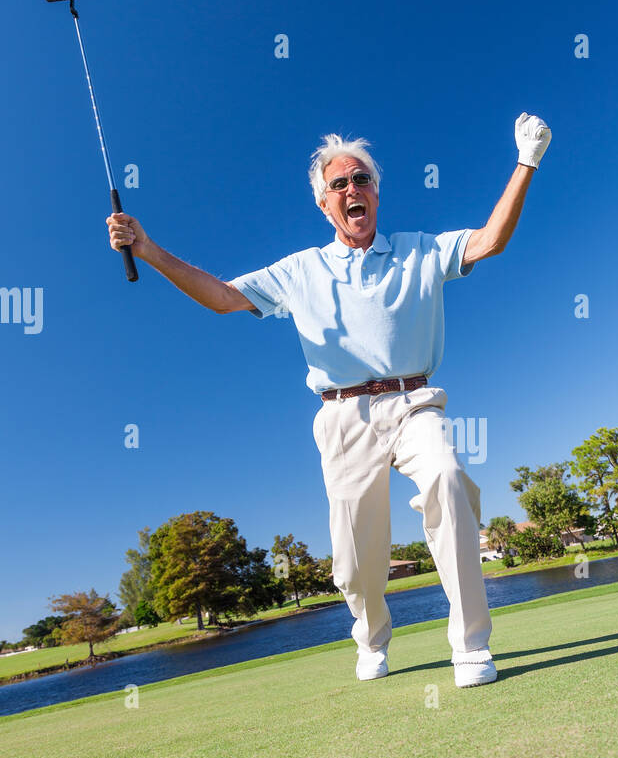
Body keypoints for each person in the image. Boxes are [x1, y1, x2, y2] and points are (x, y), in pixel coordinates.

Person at [107, 112, 551, 686]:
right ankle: (370, 639)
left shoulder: (421, 250)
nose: (351, 190)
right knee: (356, 556)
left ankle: (469, 647)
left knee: (447, 478)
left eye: (360, 179)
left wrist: (526, 161)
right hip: (342, 416)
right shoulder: (298, 271)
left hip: (415, 402)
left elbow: (491, 240)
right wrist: (148, 248)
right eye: (338, 184)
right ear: (324, 204)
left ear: (375, 191)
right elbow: (221, 297)